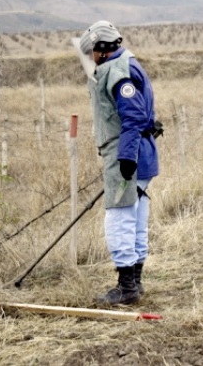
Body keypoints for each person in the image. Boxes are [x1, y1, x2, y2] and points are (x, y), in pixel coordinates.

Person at [78, 20, 159, 306]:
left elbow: (133, 116)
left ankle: (126, 288)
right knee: (136, 219)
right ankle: (134, 283)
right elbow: (143, 112)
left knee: (120, 219)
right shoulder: (129, 62)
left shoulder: (117, 71)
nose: (89, 57)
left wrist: (125, 157)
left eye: (91, 52)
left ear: (100, 49)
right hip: (140, 151)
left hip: (127, 154)